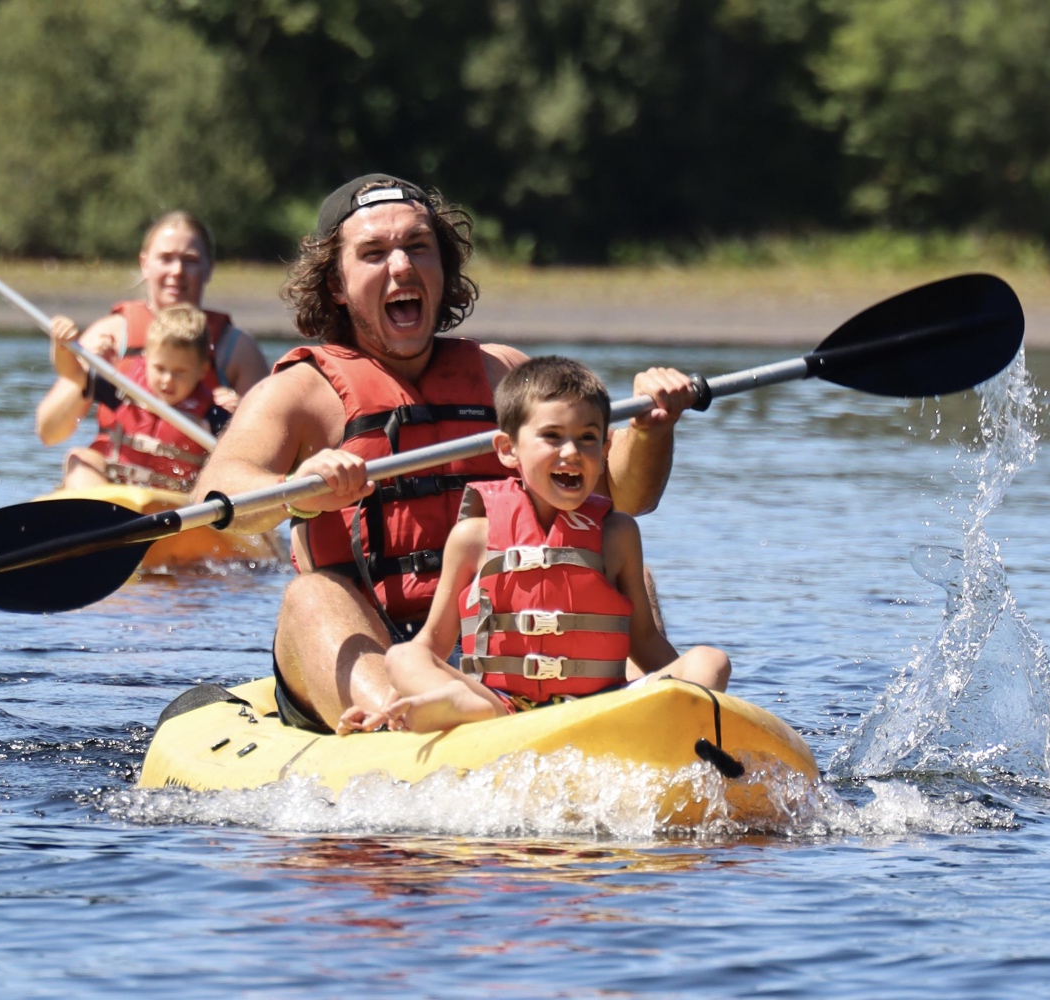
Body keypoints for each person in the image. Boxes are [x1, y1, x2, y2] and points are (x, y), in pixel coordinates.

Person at [194, 173, 700, 734]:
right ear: (336, 283)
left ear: (442, 268)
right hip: (377, 644)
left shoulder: (504, 374)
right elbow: (216, 491)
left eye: (417, 247)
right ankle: (396, 726)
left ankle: (651, 715)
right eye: (374, 253)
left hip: (505, 642)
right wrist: (301, 490)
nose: (402, 267)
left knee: (611, 548)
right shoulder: (299, 392)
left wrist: (651, 430)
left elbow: (625, 496)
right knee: (310, 595)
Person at [339, 356, 730, 734]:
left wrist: (685, 689)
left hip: (604, 706)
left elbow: (643, 641)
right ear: (508, 450)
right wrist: (391, 699)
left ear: (605, 448)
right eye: (552, 437)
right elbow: (433, 642)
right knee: (402, 654)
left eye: (588, 438)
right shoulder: (473, 537)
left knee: (711, 661)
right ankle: (459, 704)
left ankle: (680, 731)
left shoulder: (618, 534)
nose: (572, 452)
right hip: (500, 705)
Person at [35, 211, 267, 480]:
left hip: (188, 497)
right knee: (79, 461)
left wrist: (239, 419)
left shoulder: (236, 349)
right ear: (145, 264)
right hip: (114, 487)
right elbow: (49, 432)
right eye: (165, 258)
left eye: (189, 261)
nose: (177, 271)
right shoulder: (110, 334)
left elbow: (264, 454)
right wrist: (81, 363)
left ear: (208, 268)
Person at [39, 303, 228, 491]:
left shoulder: (212, 415)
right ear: (146, 360)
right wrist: (61, 345)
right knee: (79, 458)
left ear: (202, 370)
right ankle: (95, 511)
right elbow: (73, 374)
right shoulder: (125, 392)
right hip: (117, 492)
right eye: (160, 368)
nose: (167, 380)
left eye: (180, 372)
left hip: (172, 502)